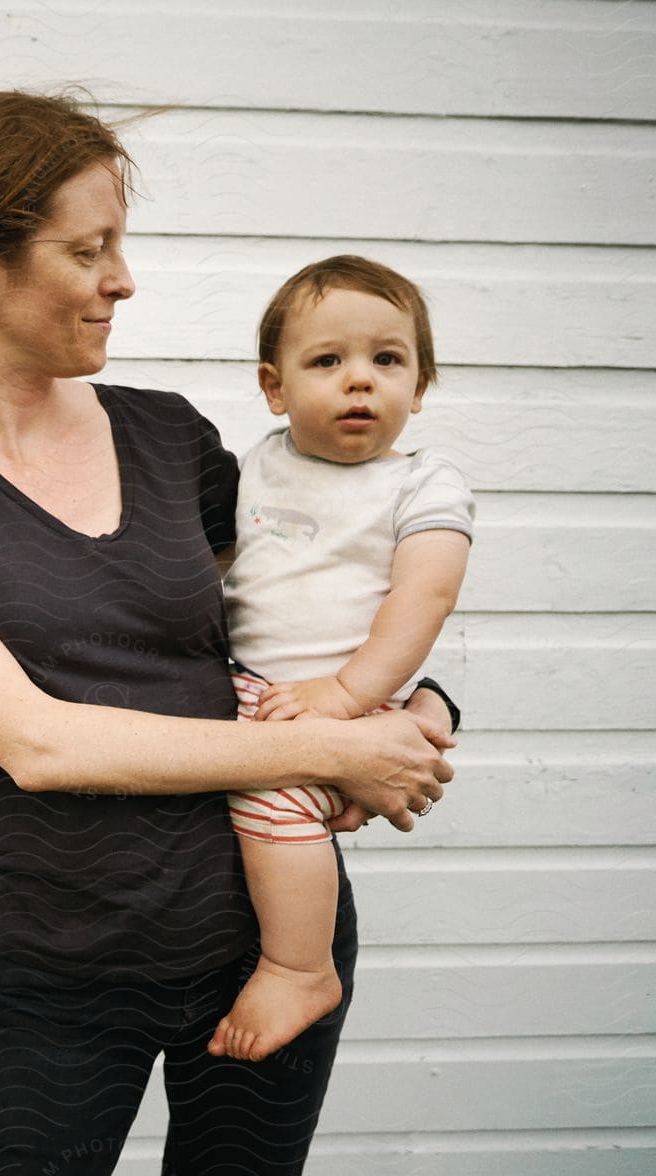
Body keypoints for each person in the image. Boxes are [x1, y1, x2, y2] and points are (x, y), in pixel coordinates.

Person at [0, 91, 459, 1176]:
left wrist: (418, 708)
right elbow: (39, 744)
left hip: (267, 943)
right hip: (63, 966)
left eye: (123, 244)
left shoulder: (171, 437)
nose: (124, 278)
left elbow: (294, 608)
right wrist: (327, 754)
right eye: (90, 248)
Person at [208, 256, 474, 1064]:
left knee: (268, 793)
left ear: (420, 385)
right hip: (260, 686)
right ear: (274, 386)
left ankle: (300, 966)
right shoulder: (252, 464)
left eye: (386, 360)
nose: (360, 381)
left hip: (355, 693)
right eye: (328, 361)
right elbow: (222, 569)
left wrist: (348, 694)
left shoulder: (423, 485)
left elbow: (422, 600)